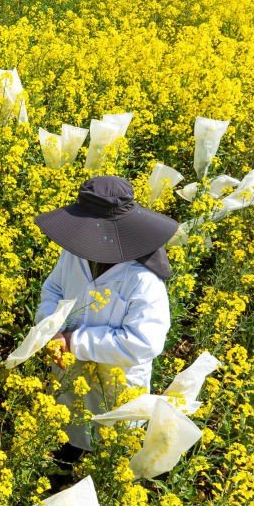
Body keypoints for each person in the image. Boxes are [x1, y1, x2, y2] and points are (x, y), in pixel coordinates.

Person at [33, 175, 179, 461]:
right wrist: (51, 328)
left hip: (119, 386)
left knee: (112, 453)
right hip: (71, 374)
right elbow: (53, 289)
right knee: (70, 434)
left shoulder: (143, 278)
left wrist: (75, 341)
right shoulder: (73, 253)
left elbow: (144, 343)